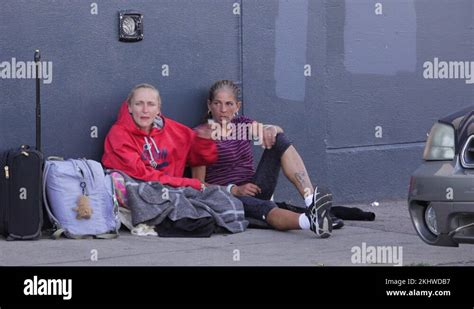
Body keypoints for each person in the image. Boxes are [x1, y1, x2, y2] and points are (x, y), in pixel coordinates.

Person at [192, 80, 341, 238]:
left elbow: (275, 132)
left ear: (237, 106)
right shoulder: (201, 135)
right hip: (228, 196)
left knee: (279, 139)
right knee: (265, 206)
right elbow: (199, 186)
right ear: (209, 105)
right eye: (217, 103)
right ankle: (310, 221)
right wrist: (233, 189)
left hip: (256, 187)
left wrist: (270, 129)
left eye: (229, 104)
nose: (223, 110)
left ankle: (311, 201)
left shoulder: (241, 126)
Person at [102, 83, 217, 191]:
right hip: (139, 192)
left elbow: (202, 159)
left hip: (173, 192)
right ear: (130, 108)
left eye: (151, 104)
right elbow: (141, 175)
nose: (145, 110)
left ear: (158, 110)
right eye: (139, 104)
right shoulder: (118, 134)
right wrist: (190, 183)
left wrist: (203, 142)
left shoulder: (175, 130)